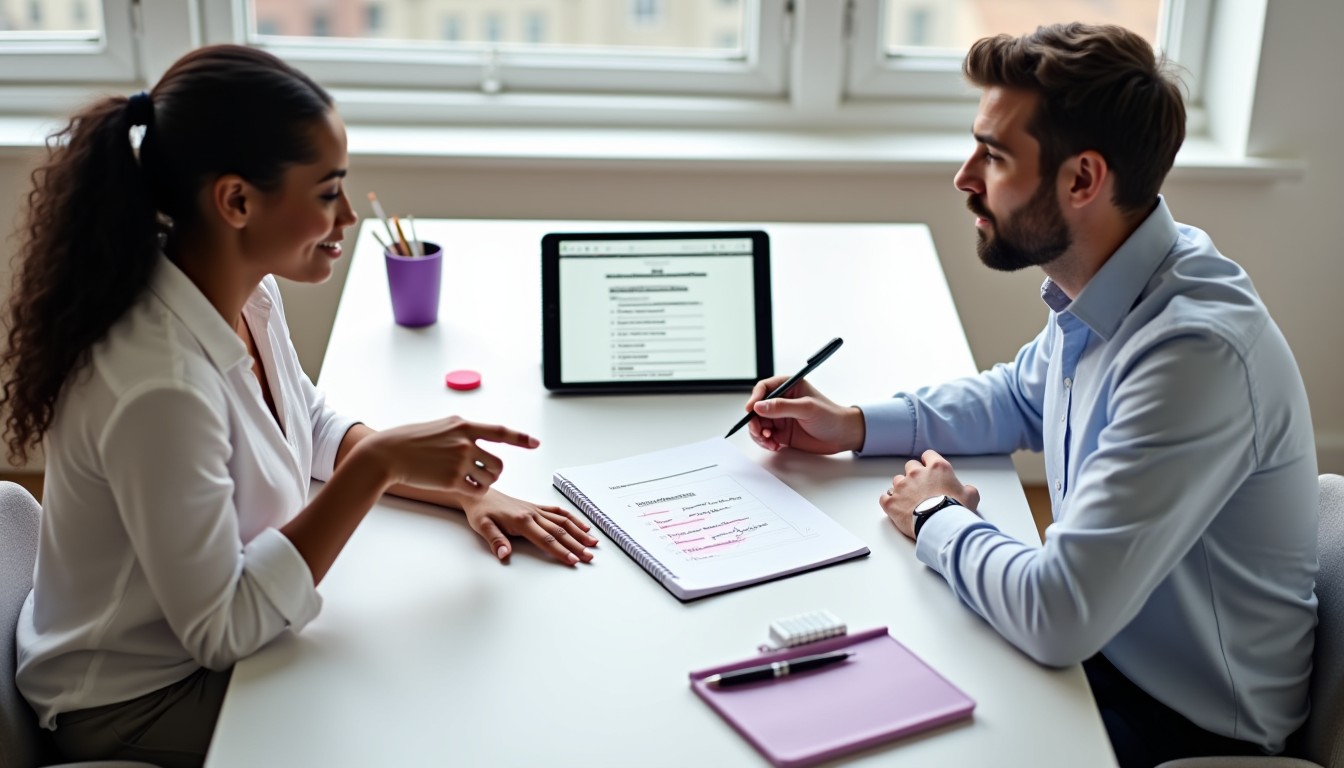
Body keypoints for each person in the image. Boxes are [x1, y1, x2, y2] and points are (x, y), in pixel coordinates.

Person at [0, 45, 598, 767]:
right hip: (135, 703)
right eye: (326, 192)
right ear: (237, 201)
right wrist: (373, 467)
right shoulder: (160, 386)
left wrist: (466, 491)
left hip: (196, 658)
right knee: (420, 722)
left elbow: (304, 424)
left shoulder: (242, 293)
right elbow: (222, 630)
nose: (347, 216)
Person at [740, 23, 1317, 768]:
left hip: (1179, 721)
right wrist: (851, 424)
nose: (965, 176)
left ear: (1082, 180)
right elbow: (1020, 397)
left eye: (996, 154)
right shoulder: (1128, 278)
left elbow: (1058, 615)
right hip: (1102, 654)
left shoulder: (1193, 355)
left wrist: (938, 515)